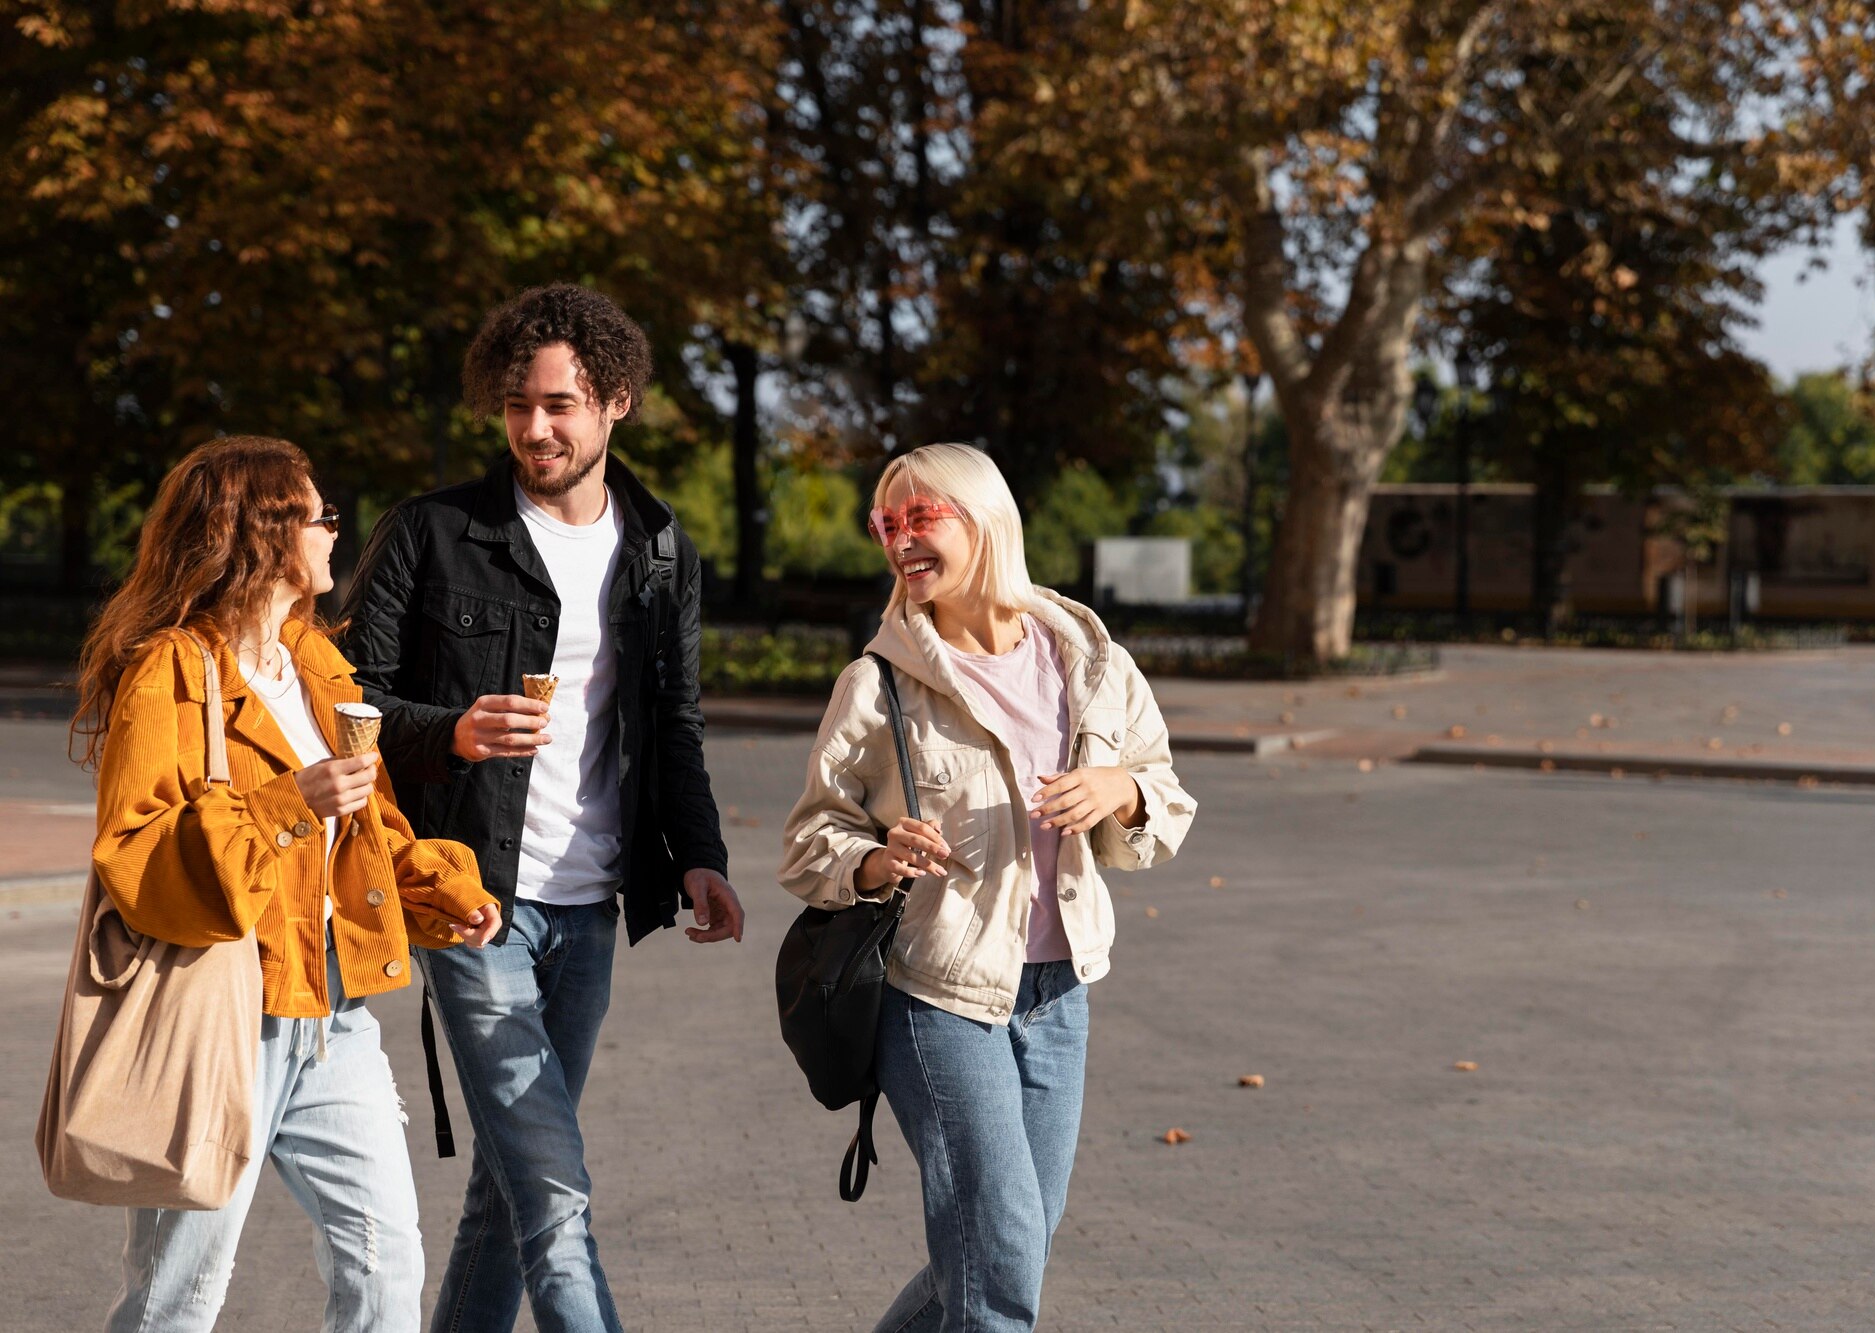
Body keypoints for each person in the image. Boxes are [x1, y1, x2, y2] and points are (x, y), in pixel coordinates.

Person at [341, 282, 743, 1333]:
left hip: (589, 902)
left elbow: (673, 725)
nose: (534, 428)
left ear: (615, 402)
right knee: (554, 1188)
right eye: (517, 405)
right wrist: (451, 731)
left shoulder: (660, 550)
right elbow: (345, 701)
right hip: (473, 897)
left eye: (558, 404)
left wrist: (699, 856)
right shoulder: (433, 533)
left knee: (511, 1181)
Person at [73, 435, 501, 1333]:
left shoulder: (315, 663)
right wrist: (281, 804)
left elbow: (370, 825)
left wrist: (438, 887)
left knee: (388, 1267)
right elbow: (135, 854)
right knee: (178, 1296)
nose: (335, 533)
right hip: (219, 1016)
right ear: (266, 536)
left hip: (332, 1013)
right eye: (320, 516)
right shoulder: (170, 674)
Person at [780, 442, 1197, 1332]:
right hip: (938, 994)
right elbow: (810, 839)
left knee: (1009, 1245)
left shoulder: (1088, 661)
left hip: (1057, 993)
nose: (899, 539)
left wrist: (1118, 790)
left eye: (920, 516)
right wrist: (876, 856)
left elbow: (1165, 795)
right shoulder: (878, 682)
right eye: (885, 523)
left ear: (983, 517)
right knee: (1002, 1249)